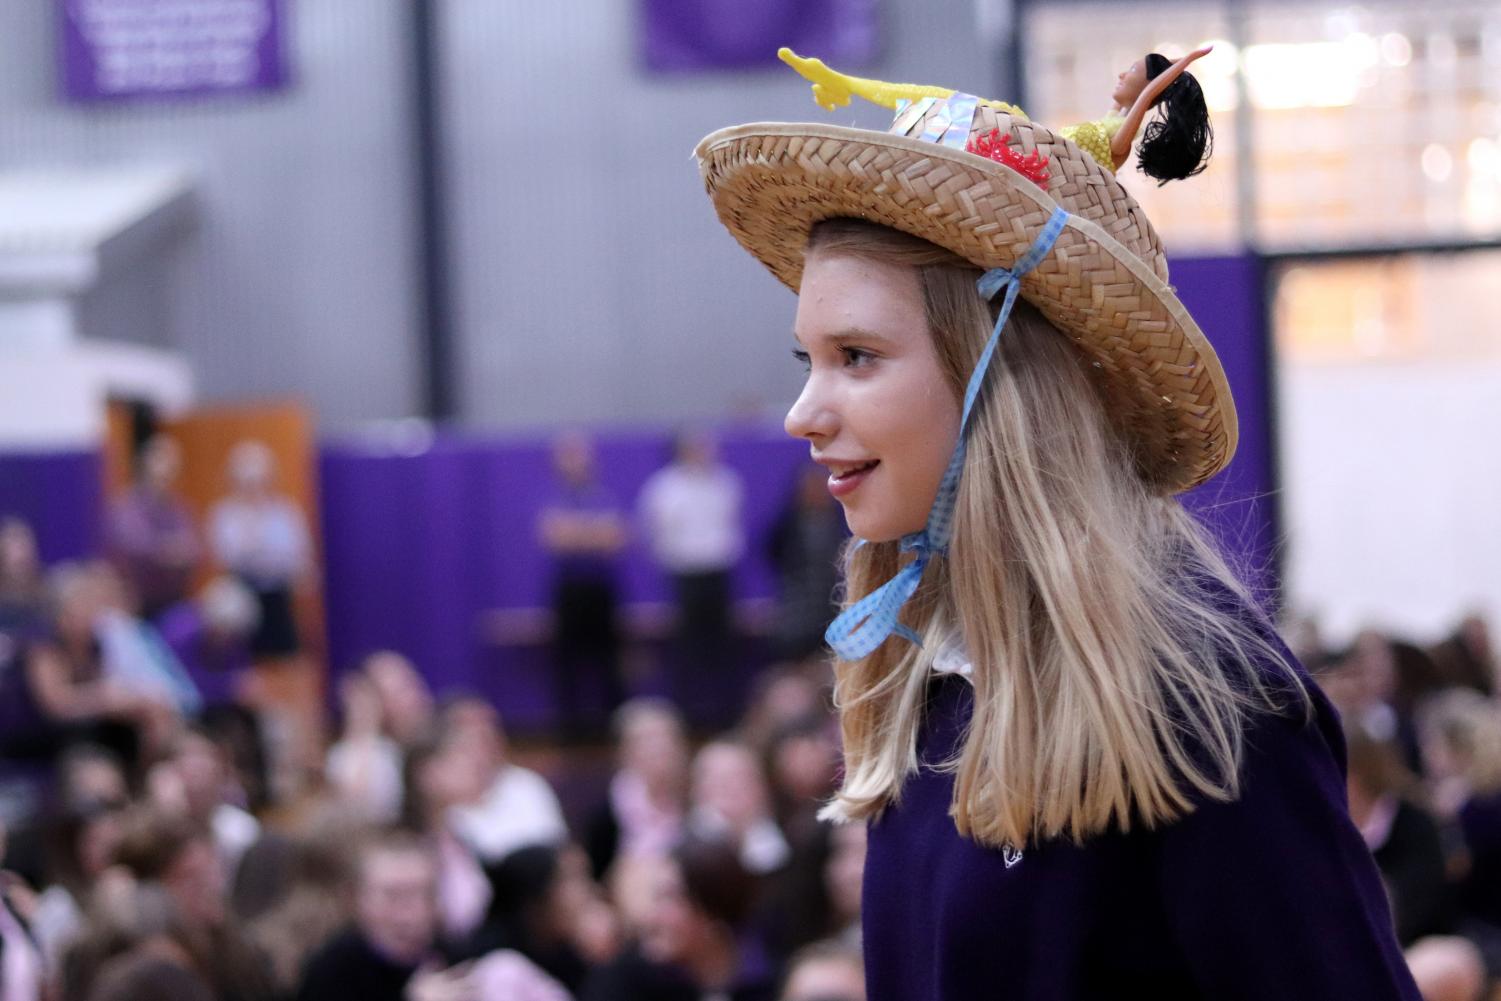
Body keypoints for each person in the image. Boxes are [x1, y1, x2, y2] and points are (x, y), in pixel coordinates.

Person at [693, 59, 1420, 997]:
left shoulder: (1206, 701)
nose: (802, 410)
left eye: (857, 357)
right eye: (810, 358)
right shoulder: (922, 671)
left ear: (1000, 377)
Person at [778, 44, 1214, 182]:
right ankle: (844, 83)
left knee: (933, 107)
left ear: (1150, 90)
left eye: (1134, 73)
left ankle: (845, 84)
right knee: (930, 98)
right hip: (1010, 136)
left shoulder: (1119, 138)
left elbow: (1143, 102)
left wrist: (1177, 69)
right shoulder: (1107, 118)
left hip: (1013, 159)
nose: (1122, 74)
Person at [639, 432, 745, 725]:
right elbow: (655, 531)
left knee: (722, 645)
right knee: (687, 647)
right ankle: (686, 714)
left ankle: (727, 712)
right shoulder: (665, 487)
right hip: (684, 576)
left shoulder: (725, 482)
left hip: (718, 574)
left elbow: (731, 526)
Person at [538, 430, 628, 740]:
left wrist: (576, 534)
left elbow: (615, 539)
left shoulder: (603, 496)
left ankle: (614, 727)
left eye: (580, 457)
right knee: (567, 663)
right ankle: (571, 730)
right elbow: (554, 538)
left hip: (601, 591)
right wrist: (592, 534)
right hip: (569, 591)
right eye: (569, 458)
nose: (576, 464)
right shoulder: (553, 497)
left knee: (609, 661)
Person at [208, 440, 312, 660]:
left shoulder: (285, 512)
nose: (254, 486)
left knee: (284, 659)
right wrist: (252, 525)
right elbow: (229, 555)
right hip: (242, 599)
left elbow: (297, 555)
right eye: (247, 480)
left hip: (279, 597)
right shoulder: (225, 514)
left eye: (260, 479)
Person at [107, 435, 201, 622]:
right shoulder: (127, 506)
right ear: (143, 468)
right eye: (160, 468)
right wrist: (168, 550)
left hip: (174, 598)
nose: (165, 476)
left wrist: (177, 551)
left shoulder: (178, 507)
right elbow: (134, 543)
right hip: (138, 601)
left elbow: (194, 546)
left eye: (171, 470)